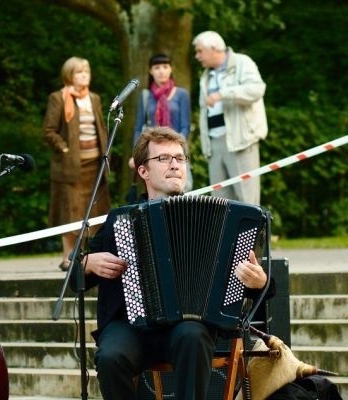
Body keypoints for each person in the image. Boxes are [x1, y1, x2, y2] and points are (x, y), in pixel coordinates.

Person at [75, 126, 271, 400]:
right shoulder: (120, 221)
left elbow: (261, 285)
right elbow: (76, 275)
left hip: (187, 327)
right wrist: (87, 263)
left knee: (193, 335)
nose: (175, 165)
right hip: (130, 326)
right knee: (110, 357)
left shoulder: (222, 220)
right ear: (143, 171)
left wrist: (259, 281)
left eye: (180, 158)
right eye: (164, 158)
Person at [43, 56, 111, 271]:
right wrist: (64, 149)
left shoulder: (94, 98)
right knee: (70, 212)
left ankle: (89, 257)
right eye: (80, 72)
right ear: (69, 75)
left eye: (87, 72)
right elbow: (48, 131)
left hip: (95, 165)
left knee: (95, 211)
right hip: (70, 168)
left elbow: (100, 126)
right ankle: (67, 258)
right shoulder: (58, 98)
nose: (85, 76)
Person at [193, 31, 268, 205]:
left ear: (213, 49)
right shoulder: (205, 76)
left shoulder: (243, 62)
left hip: (240, 141)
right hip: (214, 143)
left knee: (247, 201)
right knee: (220, 202)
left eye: (199, 51)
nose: (197, 56)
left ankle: (256, 234)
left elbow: (257, 89)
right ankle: (226, 234)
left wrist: (223, 94)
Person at [131, 53, 192, 193]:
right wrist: (135, 155)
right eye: (157, 67)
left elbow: (185, 126)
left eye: (165, 67)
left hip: (176, 148)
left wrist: (176, 147)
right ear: (151, 71)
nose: (161, 71)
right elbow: (138, 127)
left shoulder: (181, 94)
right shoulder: (145, 96)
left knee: (183, 187)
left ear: (171, 69)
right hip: (154, 151)